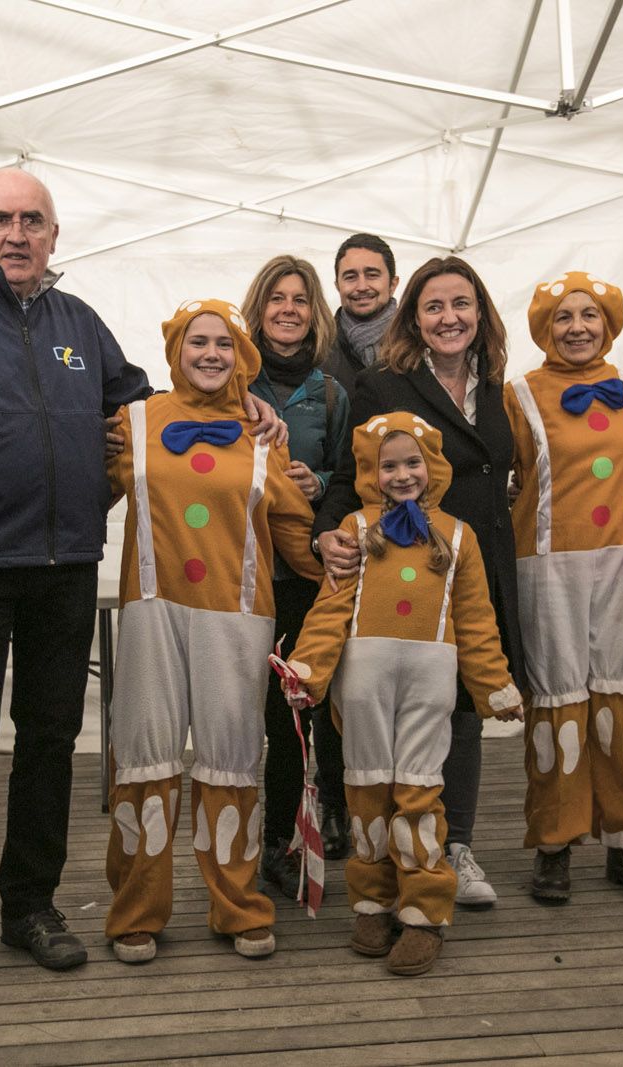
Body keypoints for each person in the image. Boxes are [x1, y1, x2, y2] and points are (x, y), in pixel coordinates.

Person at [0, 168, 285, 1018]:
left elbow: (153, 407)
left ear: (53, 236)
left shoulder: (79, 325)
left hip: (64, 569)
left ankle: (28, 904)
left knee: (54, 738)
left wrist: (249, 409)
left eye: (33, 221)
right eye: (1, 220)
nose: (17, 234)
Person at [103, 299, 321, 964]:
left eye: (224, 344)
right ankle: (135, 909)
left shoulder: (264, 435)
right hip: (151, 608)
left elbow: (291, 533)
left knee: (230, 756)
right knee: (145, 757)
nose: (210, 354)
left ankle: (238, 905)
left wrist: (345, 558)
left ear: (243, 355)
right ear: (176, 348)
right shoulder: (132, 423)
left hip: (237, 613)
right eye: (197, 342)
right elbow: (83, 494)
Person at [314, 255, 522, 907]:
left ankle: (452, 845)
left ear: (480, 313)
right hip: (404, 568)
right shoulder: (385, 384)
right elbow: (353, 475)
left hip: (478, 559)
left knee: (462, 706)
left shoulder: (498, 385)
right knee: (398, 712)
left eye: (461, 304)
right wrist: (328, 531)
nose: (448, 317)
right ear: (415, 317)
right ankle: (385, 850)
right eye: (434, 306)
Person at [282, 411, 522, 975]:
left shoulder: (459, 537)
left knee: (417, 793)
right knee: (367, 791)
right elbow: (329, 610)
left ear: (431, 465)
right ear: (370, 472)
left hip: (428, 683)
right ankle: (372, 901)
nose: (402, 474)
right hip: (362, 684)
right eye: (388, 465)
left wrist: (495, 686)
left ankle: (424, 911)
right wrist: (309, 671)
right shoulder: (353, 531)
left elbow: (476, 621)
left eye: (412, 462)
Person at [505, 272, 623, 904]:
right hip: (546, 565)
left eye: (589, 315)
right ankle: (554, 843)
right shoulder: (516, 395)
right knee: (556, 701)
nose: (577, 327)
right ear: (545, 326)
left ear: (609, 322)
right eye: (564, 316)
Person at [240, 255, 353, 886]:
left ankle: (279, 840)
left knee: (289, 719)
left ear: (316, 314)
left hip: (301, 579)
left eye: (301, 300)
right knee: (235, 713)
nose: (288, 309)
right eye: (277, 298)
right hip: (236, 573)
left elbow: (355, 474)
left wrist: (323, 482)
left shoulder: (332, 392)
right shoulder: (228, 379)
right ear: (258, 308)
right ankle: (229, 839)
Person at [325, 233, 400, 404]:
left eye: (372, 275)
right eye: (350, 277)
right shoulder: (318, 348)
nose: (361, 287)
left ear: (393, 284)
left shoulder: (418, 343)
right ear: (337, 286)